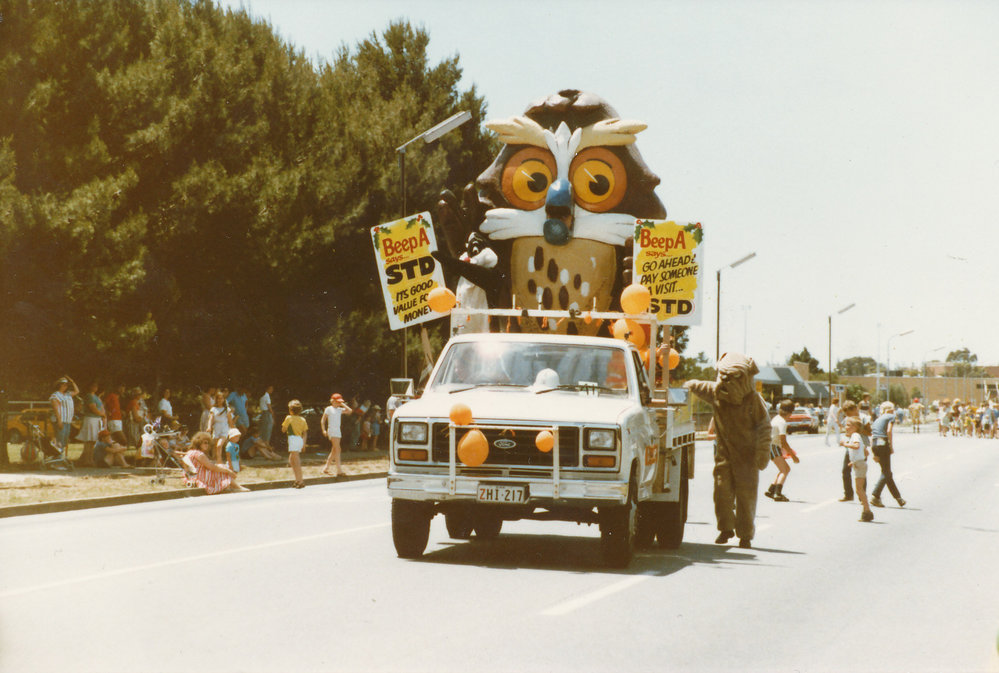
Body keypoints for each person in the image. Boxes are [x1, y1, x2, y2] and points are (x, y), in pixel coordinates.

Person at [684, 352, 771, 549]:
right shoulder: (715, 392)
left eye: (733, 377)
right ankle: (725, 528)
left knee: (745, 496)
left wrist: (762, 452)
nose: (725, 381)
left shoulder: (753, 399)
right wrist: (684, 388)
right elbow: (695, 385)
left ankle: (746, 534)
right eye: (722, 375)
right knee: (721, 492)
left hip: (747, 456)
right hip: (724, 453)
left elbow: (765, 426)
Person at [184, 431, 248, 494]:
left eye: (208, 443)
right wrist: (229, 471)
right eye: (205, 443)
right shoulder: (199, 454)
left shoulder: (190, 452)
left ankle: (228, 487)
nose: (207, 445)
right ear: (198, 443)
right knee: (221, 468)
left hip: (192, 476)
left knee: (220, 468)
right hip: (199, 477)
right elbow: (212, 467)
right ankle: (236, 487)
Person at [870, 401, 906, 508]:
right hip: (883, 443)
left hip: (875, 444)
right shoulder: (891, 416)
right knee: (886, 473)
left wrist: (874, 453)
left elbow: (873, 435)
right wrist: (890, 446)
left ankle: (898, 498)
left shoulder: (878, 419)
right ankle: (875, 495)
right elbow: (889, 431)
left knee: (887, 473)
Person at [840, 416, 873, 522]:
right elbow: (865, 452)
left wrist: (845, 444)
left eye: (849, 425)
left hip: (860, 465)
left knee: (859, 490)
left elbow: (856, 446)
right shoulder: (857, 436)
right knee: (859, 489)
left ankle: (867, 511)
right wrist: (854, 461)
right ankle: (866, 510)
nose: (846, 427)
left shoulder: (855, 436)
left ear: (855, 427)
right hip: (860, 464)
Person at [764, 399, 798, 502]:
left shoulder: (776, 418)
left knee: (783, 468)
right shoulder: (782, 422)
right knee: (785, 469)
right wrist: (793, 456)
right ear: (789, 412)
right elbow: (783, 441)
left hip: (771, 445)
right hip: (773, 446)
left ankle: (771, 490)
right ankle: (777, 494)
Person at [321, 393, 351, 476]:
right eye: (337, 402)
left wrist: (342, 404)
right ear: (332, 401)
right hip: (332, 431)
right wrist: (323, 430)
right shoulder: (328, 409)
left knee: (334, 450)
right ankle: (339, 470)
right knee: (337, 449)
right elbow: (323, 420)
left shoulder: (339, 409)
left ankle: (326, 468)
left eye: (339, 402)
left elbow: (349, 411)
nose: (339, 404)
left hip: (338, 431)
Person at [77, 381, 106, 467]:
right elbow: (93, 408)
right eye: (93, 386)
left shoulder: (96, 397)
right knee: (89, 441)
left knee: (93, 440)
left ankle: (89, 459)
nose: (95, 387)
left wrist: (102, 414)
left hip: (96, 419)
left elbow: (101, 407)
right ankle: (87, 460)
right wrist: (101, 414)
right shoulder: (89, 396)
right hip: (90, 419)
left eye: (96, 386)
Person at [281, 399, 309, 489]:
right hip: (299, 439)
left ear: (290, 410)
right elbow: (305, 433)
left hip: (293, 438)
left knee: (296, 460)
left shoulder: (289, 418)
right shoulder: (302, 419)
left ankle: (300, 480)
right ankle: (297, 479)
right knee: (291, 459)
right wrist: (304, 443)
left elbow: (283, 429)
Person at [49, 376, 79, 454]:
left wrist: (72, 381)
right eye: (64, 384)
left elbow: (77, 391)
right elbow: (56, 409)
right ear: (59, 385)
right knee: (59, 441)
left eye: (66, 385)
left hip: (67, 421)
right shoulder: (55, 395)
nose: (65, 386)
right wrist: (59, 421)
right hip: (61, 420)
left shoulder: (68, 394)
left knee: (64, 441)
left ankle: (60, 458)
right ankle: (57, 459)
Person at [207, 391, 233, 462]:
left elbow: (230, 421)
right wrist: (209, 427)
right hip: (216, 428)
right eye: (218, 398)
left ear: (224, 399)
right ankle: (217, 461)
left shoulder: (227, 409)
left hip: (224, 428)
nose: (220, 400)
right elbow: (211, 419)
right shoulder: (213, 409)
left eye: (221, 398)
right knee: (215, 447)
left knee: (219, 445)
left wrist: (233, 429)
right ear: (216, 399)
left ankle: (219, 461)